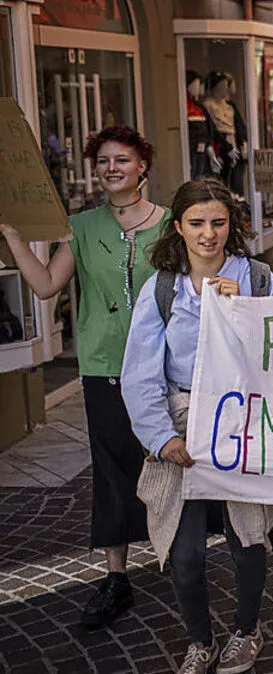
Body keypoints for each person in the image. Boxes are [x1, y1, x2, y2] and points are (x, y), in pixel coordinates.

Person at [0, 126, 170, 629]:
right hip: (103, 366)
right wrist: (12, 235)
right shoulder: (80, 225)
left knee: (173, 460)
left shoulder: (171, 224)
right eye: (103, 161)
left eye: (122, 160)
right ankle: (116, 577)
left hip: (164, 364)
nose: (111, 168)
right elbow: (48, 284)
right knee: (113, 471)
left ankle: (185, 556)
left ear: (143, 166)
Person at [121, 177, 273, 674]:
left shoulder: (256, 280)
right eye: (197, 223)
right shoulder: (162, 288)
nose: (208, 234)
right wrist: (160, 436)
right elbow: (141, 370)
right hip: (182, 425)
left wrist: (247, 315)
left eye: (217, 222)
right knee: (184, 551)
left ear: (230, 225)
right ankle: (199, 640)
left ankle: (246, 629)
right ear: (179, 227)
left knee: (248, 539)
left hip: (241, 422)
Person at [202, 71, 248, 195]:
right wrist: (224, 147)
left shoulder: (230, 106)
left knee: (237, 181)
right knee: (222, 178)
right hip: (220, 145)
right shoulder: (208, 105)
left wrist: (243, 142)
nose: (224, 89)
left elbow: (239, 125)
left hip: (235, 144)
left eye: (226, 85)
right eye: (221, 85)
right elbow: (211, 129)